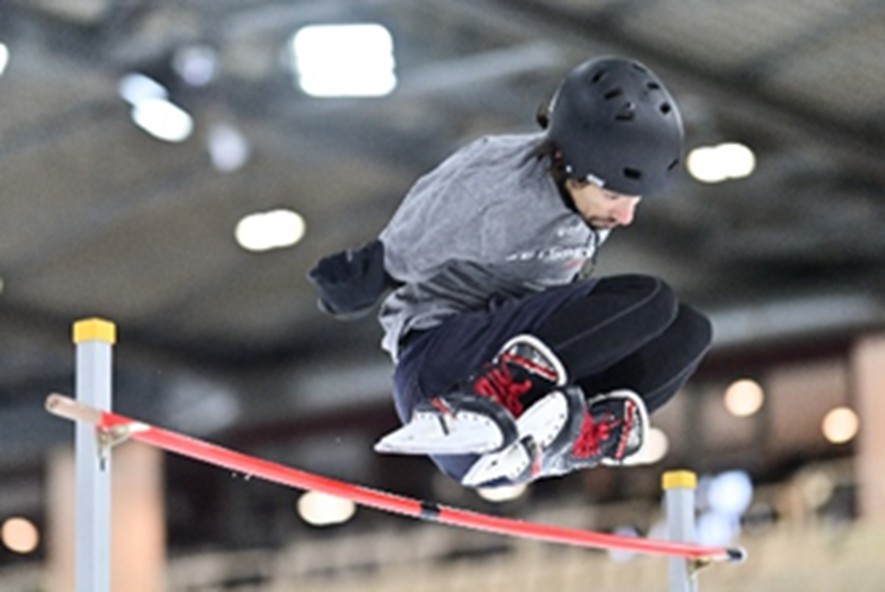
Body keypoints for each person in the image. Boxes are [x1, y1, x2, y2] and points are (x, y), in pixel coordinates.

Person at [308, 56, 712, 489]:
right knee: (650, 301)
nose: (626, 215)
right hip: (441, 372)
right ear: (566, 160)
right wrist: (359, 278)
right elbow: (396, 253)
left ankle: (573, 438)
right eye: (614, 194)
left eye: (636, 198)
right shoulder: (494, 185)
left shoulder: (595, 204)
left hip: (503, 441)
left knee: (688, 331)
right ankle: (494, 393)